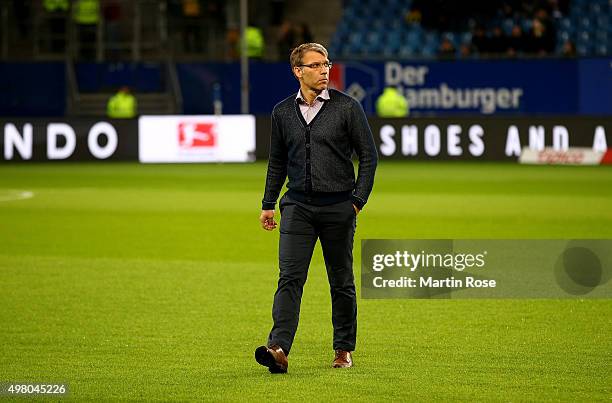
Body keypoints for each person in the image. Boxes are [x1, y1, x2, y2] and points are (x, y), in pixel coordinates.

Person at [255, 43, 378, 373]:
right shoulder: (282, 112)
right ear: (298, 71)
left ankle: (343, 349)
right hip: (297, 207)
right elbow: (277, 161)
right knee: (290, 278)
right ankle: (278, 348)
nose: (325, 70)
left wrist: (357, 202)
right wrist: (268, 204)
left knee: (341, 282)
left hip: (339, 207)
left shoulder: (347, 108)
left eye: (326, 64)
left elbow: (369, 156)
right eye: (316, 65)